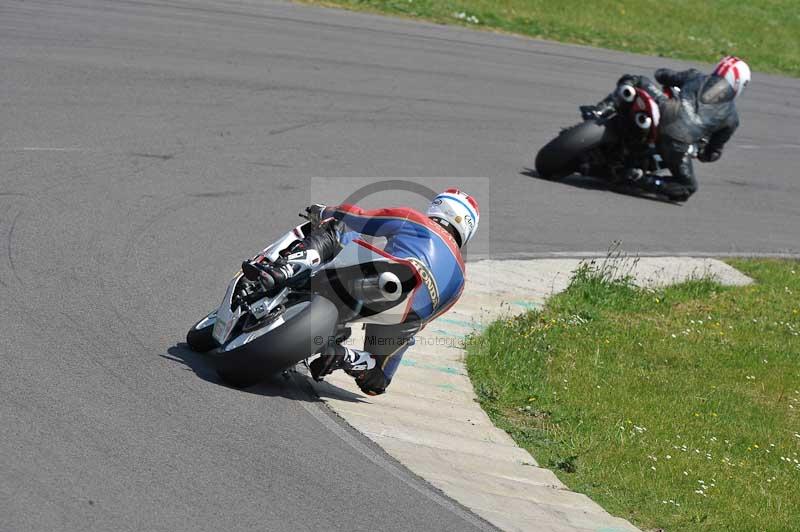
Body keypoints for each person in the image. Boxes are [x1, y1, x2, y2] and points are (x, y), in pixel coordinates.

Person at [241, 188, 479, 395]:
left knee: (339, 226)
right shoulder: (460, 281)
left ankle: (284, 270)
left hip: (386, 274)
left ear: (439, 207)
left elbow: (359, 217)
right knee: (376, 382)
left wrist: (324, 212)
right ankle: (345, 356)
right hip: (406, 316)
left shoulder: (415, 219)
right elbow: (426, 319)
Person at [581, 56, 750, 201]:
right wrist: (703, 152)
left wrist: (670, 81)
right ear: (740, 84)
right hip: (679, 143)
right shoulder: (732, 118)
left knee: (635, 80)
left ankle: (600, 110)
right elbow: (712, 153)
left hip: (665, 110)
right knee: (687, 187)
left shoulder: (696, 76)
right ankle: (640, 178)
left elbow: (661, 74)